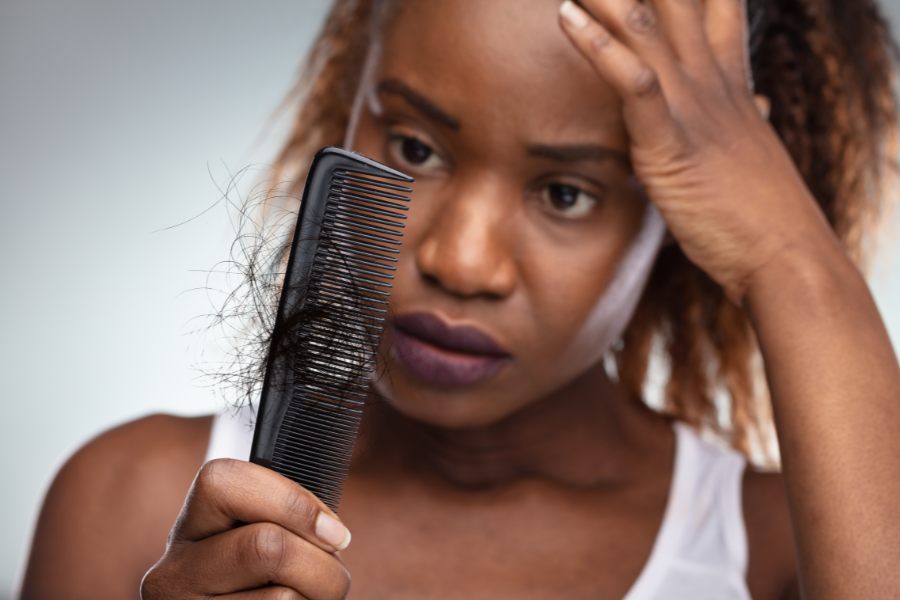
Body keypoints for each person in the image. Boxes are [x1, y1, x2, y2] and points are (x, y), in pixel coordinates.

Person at [19, 0, 900, 598]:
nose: (459, 260)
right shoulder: (127, 503)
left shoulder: (779, 553)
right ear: (347, 107)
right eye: (413, 145)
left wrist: (789, 260)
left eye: (567, 193)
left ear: (689, 212)